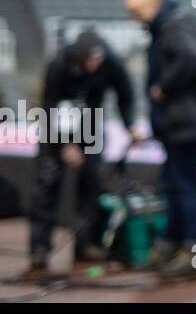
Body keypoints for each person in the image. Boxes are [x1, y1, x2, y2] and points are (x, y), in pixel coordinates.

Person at [123, 0, 196, 279]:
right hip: (180, 126)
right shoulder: (168, 26)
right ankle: (169, 246)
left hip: (190, 124)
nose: (135, 18)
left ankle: (195, 254)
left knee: (185, 184)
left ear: (153, 2)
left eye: (136, 11)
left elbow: (190, 57)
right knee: (174, 183)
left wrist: (162, 88)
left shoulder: (177, 24)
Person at [27, 30, 142, 275]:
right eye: (90, 61)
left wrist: (130, 125)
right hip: (57, 126)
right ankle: (39, 247)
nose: (94, 65)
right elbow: (49, 107)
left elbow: (125, 95)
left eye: (97, 61)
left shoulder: (111, 62)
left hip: (90, 124)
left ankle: (85, 244)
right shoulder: (59, 65)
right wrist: (63, 145)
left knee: (92, 186)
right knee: (46, 186)